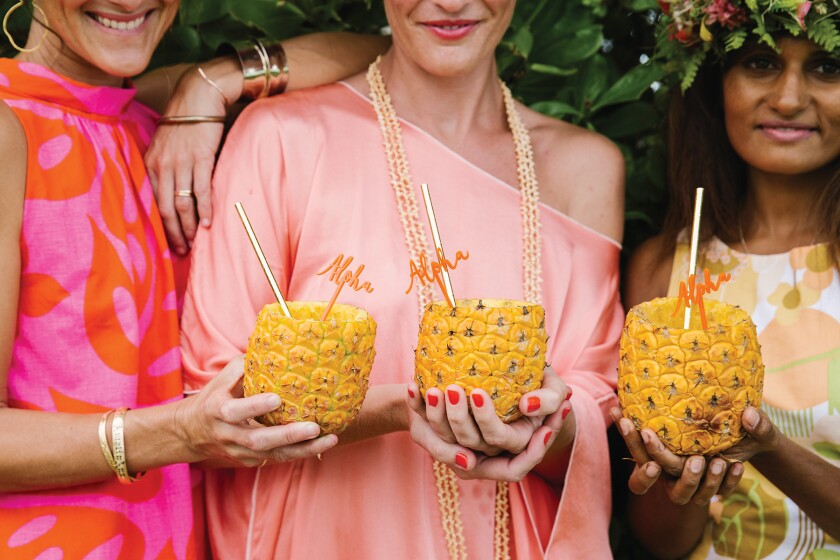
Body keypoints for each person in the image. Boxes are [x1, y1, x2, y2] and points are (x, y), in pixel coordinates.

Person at [180, 0, 626, 557]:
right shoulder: (282, 135)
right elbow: (211, 406)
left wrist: (539, 426)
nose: (451, 3)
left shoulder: (586, 168)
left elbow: (592, 416)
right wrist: (403, 408)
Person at [0, 1, 386, 557]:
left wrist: (211, 83)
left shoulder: (145, 114)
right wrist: (179, 432)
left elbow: (379, 49)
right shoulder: (9, 123)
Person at [612, 0, 840, 557]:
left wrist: (764, 448)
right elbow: (661, 543)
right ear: (716, 83)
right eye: (761, 62)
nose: (788, 99)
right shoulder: (664, 269)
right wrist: (677, 480)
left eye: (828, 67)